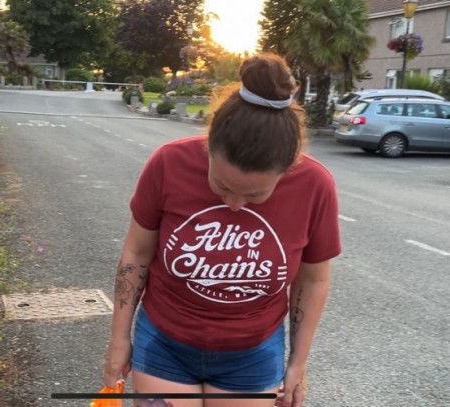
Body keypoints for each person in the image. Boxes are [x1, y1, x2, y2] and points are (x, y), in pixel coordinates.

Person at [102, 53, 341, 407]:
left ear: (288, 166)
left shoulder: (315, 185)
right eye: (222, 186)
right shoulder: (169, 163)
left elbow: (312, 279)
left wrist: (298, 363)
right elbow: (137, 254)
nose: (234, 205)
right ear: (208, 143)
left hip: (254, 354)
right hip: (164, 343)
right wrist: (119, 338)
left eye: (256, 195)